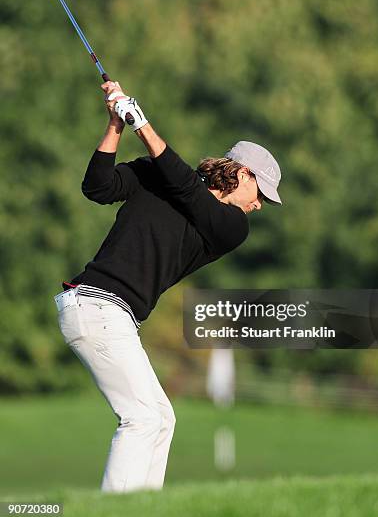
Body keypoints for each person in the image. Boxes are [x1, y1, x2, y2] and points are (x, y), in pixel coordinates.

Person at [54, 80, 282, 493]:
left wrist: (143, 124)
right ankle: (113, 516)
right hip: (96, 306)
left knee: (162, 418)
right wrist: (117, 126)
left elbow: (189, 192)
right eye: (261, 191)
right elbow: (98, 187)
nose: (260, 203)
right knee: (142, 419)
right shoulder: (155, 175)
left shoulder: (232, 226)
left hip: (110, 315)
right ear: (242, 174)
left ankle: (148, 511)